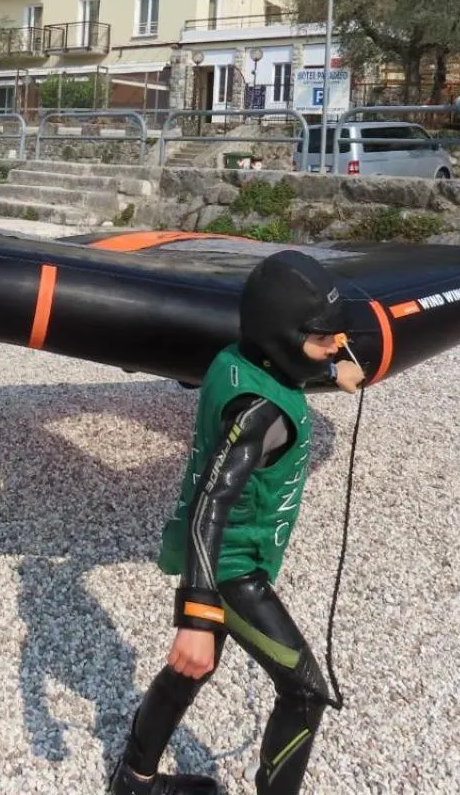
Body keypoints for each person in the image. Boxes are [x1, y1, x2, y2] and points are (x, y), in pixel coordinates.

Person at [108, 251, 366, 795]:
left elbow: (279, 365)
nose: (338, 344)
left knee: (190, 672)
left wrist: (328, 370)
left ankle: (133, 781)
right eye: (325, 338)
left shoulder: (236, 358)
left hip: (225, 559)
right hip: (229, 569)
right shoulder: (257, 417)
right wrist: (197, 617)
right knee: (306, 692)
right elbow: (211, 505)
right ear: (283, 338)